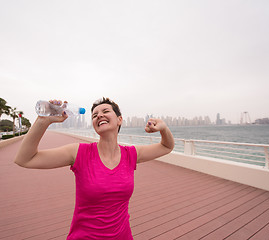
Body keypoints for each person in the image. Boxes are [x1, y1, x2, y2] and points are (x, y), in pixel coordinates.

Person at [14, 97, 175, 240]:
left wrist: (163, 128)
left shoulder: (131, 154)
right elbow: (25, 159)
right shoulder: (79, 153)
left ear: (119, 120)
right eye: (94, 115)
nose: (99, 115)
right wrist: (43, 121)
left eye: (105, 111)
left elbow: (166, 146)